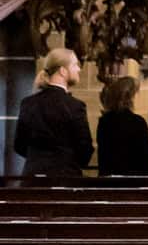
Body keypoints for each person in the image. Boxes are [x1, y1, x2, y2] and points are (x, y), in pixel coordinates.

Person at [14, 48, 92, 179]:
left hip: (32, 180)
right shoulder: (74, 106)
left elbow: (19, 145)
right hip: (65, 180)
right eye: (75, 65)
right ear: (62, 71)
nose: (79, 69)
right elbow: (85, 150)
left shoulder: (28, 103)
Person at [97, 75, 148, 176]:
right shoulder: (137, 122)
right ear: (130, 97)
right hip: (132, 181)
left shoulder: (104, 122)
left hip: (109, 182)